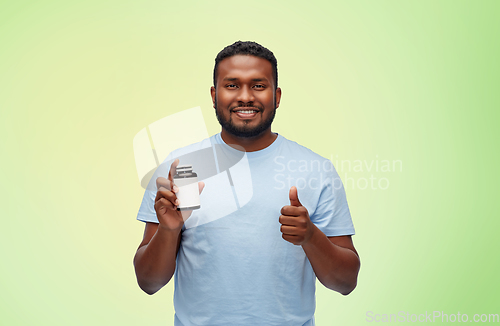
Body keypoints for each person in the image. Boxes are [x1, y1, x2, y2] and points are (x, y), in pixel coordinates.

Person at [134, 41, 360, 326]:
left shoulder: (316, 170)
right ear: (214, 95)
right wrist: (169, 230)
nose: (245, 97)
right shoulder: (181, 168)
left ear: (276, 96)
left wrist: (311, 237)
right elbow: (148, 282)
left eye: (258, 85)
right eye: (231, 85)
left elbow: (346, 282)